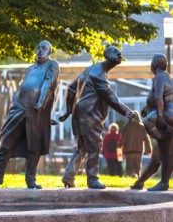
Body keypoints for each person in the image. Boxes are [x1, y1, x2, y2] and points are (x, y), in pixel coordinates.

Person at [0, 40, 59, 190]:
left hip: (36, 110)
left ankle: (30, 180)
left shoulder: (52, 65)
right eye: (38, 48)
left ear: (49, 52)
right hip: (18, 108)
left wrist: (41, 103)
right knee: (5, 141)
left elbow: (48, 83)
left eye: (43, 48)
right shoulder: (30, 68)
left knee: (34, 146)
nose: (39, 51)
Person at [58, 46, 136, 189]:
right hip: (89, 115)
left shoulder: (90, 70)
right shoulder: (98, 74)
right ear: (107, 55)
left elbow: (70, 89)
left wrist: (69, 111)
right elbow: (110, 97)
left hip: (79, 113)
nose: (120, 54)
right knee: (94, 146)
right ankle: (92, 179)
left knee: (83, 147)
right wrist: (126, 111)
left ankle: (69, 175)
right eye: (115, 52)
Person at [140, 54, 173, 191]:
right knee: (162, 153)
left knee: (165, 153)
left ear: (154, 64)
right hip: (169, 115)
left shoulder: (160, 77)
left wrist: (159, 118)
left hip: (166, 117)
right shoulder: (167, 77)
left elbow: (160, 98)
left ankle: (164, 183)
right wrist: (147, 107)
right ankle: (141, 182)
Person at [119, 110, 152, 178]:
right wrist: (149, 149)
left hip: (129, 151)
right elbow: (146, 139)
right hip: (139, 151)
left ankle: (130, 180)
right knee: (138, 168)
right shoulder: (141, 127)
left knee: (129, 168)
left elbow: (123, 138)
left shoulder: (127, 126)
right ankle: (137, 181)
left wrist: (119, 146)